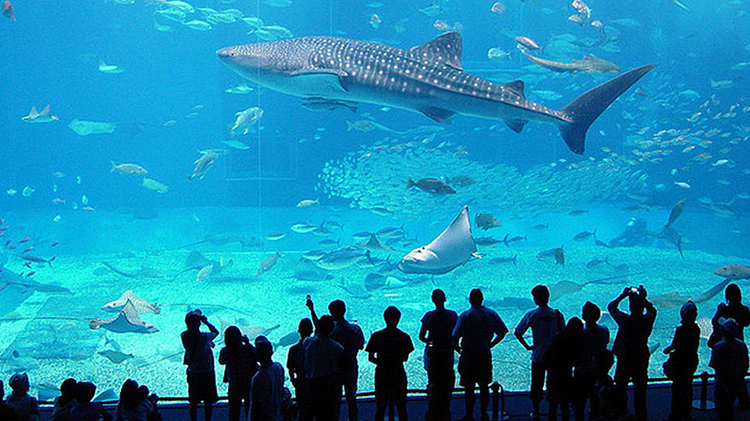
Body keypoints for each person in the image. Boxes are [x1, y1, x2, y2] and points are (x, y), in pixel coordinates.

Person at [453, 288, 509, 421]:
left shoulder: (465, 315)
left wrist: (458, 349)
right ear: (482, 299)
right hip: (484, 354)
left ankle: (469, 415)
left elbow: (454, 336)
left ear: (470, 300)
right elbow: (502, 332)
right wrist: (491, 344)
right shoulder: (491, 314)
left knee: (469, 388)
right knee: (484, 387)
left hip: (469, 355)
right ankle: (484, 414)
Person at [307, 296, 364, 421]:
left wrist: (312, 310)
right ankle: (353, 419)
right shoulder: (355, 329)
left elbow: (320, 329)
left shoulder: (332, 333)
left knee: (334, 400)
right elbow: (361, 346)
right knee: (351, 397)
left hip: (334, 371)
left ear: (332, 313)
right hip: (351, 368)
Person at [515, 285, 565, 421]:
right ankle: (552, 413)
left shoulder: (532, 314)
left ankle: (536, 412)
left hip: (538, 355)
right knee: (553, 384)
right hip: (555, 357)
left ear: (536, 299)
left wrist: (527, 346)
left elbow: (518, 332)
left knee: (536, 385)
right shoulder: (557, 314)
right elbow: (563, 334)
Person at [607, 286, 656, 421]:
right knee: (640, 394)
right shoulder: (647, 320)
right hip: (640, 360)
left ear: (630, 306)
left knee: (620, 391)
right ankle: (641, 418)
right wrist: (643, 298)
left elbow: (611, 307)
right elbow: (652, 310)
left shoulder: (625, 320)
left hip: (624, 360)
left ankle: (620, 415)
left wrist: (622, 295)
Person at [367, 306, 415, 421]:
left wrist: (382, 363)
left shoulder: (376, 336)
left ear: (385, 318)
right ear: (398, 319)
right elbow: (405, 358)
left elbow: (370, 358)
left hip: (382, 373)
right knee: (402, 407)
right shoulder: (404, 337)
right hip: (398, 372)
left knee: (380, 407)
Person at [708, 283, 750, 408]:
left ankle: (723, 402)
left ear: (727, 296)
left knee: (723, 374)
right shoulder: (744, 309)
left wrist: (719, 311)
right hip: (739, 342)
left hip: (725, 343)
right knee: (739, 374)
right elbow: (747, 323)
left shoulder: (724, 310)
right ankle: (745, 402)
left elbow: (715, 322)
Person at [419, 289, 458, 421]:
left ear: (433, 300)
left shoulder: (429, 316)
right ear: (445, 299)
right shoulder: (452, 315)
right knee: (447, 383)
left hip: (433, 353)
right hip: (447, 353)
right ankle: (445, 413)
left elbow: (421, 336)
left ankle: (431, 412)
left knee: (433, 381)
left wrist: (430, 342)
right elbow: (456, 334)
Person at [299, 314, 346, 421]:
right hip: (327, 387)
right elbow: (345, 367)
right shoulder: (337, 347)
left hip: (310, 385)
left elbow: (301, 362)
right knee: (326, 416)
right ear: (332, 328)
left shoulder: (307, 342)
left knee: (307, 415)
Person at [573, 302, 610, 421]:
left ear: (583, 316)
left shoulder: (581, 333)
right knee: (596, 404)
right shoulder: (604, 330)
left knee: (579, 405)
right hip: (599, 371)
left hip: (581, 372)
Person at [663, 301, 699, 421]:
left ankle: (675, 414)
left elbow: (675, 345)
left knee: (677, 389)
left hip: (680, 362)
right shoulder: (696, 329)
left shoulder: (680, 330)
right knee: (688, 387)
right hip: (691, 361)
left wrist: (667, 350)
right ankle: (687, 413)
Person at [181, 309, 220, 421]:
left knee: (193, 402)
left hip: (193, 372)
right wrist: (206, 322)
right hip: (206, 372)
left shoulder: (184, 335)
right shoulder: (204, 337)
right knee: (208, 401)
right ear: (199, 323)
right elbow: (216, 332)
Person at [543, 317, 584, 421]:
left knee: (553, 406)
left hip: (554, 375)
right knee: (565, 406)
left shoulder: (558, 337)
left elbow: (546, 357)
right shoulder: (574, 342)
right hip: (566, 376)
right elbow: (577, 360)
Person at [710, 318, 749, 421]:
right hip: (736, 382)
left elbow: (716, 367)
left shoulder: (718, 347)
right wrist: (738, 379)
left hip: (722, 384)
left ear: (722, 331)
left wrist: (725, 382)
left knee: (721, 410)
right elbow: (745, 365)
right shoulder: (741, 345)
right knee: (730, 406)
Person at [219, 326, 259, 421]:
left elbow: (221, 361)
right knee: (249, 409)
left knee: (233, 411)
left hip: (234, 384)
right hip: (247, 383)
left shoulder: (225, 351)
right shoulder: (246, 349)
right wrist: (247, 343)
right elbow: (257, 356)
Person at [251, 336, 285, 421]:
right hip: (277, 415)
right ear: (271, 352)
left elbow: (256, 404)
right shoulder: (279, 367)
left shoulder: (258, 377)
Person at [287, 318, 313, 408]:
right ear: (312, 331)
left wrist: (293, 380)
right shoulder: (316, 348)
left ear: (299, 331)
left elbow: (290, 368)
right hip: (315, 384)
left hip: (300, 383)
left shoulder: (293, 350)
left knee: (302, 410)